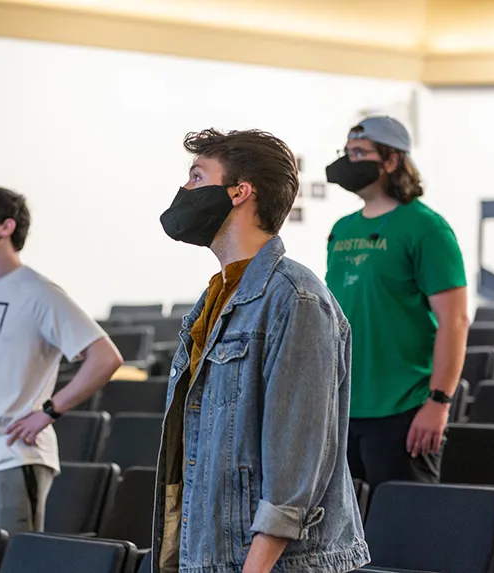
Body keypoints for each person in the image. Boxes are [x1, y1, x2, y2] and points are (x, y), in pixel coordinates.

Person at [152, 130, 370, 573]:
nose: (185, 191)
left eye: (197, 177)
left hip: (268, 564)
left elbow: (297, 460)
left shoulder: (297, 298)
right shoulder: (217, 297)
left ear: (239, 192)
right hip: (211, 552)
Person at [0, 186, 123, 532]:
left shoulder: (38, 292)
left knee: (12, 560)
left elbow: (105, 357)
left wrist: (49, 412)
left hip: (11, 457)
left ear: (6, 227)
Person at [325, 116, 469, 488]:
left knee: (404, 533)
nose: (349, 161)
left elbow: (454, 320)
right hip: (344, 407)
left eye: (359, 152)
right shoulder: (342, 230)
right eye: (346, 152)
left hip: (404, 408)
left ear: (391, 160)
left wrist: (438, 402)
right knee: (344, 540)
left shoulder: (426, 228)